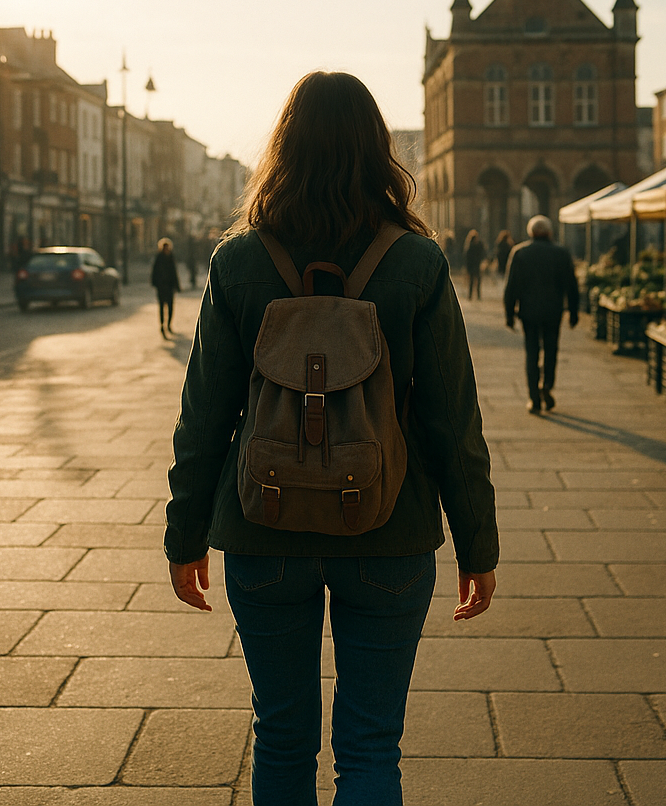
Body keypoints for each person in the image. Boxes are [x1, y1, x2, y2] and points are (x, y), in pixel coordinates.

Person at [165, 71, 498, 806]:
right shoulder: (416, 262)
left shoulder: (240, 260)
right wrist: (478, 546)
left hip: (263, 527)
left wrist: (184, 534)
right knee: (372, 746)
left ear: (284, 148)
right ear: (377, 151)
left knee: (281, 737)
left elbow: (204, 415)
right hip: (390, 528)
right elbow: (452, 420)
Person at [503, 214, 580, 415]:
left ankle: (534, 398)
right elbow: (571, 285)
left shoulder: (520, 253)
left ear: (531, 233)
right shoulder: (562, 253)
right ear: (549, 232)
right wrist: (573, 311)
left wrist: (509, 314)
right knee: (551, 350)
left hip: (528, 312)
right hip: (553, 311)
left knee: (532, 353)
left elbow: (511, 286)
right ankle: (547, 384)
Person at [150, 237, 182, 338]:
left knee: (170, 307)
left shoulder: (171, 258)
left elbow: (174, 272)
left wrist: (177, 285)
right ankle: (162, 325)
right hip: (161, 286)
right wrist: (156, 283)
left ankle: (168, 325)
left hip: (169, 286)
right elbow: (154, 272)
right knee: (162, 307)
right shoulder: (159, 258)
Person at [463, 228, 485, 299]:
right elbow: (467, 257)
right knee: (472, 281)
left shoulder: (478, 245)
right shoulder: (470, 246)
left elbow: (482, 254)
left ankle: (478, 295)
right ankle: (471, 295)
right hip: (472, 266)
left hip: (476, 265)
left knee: (477, 281)